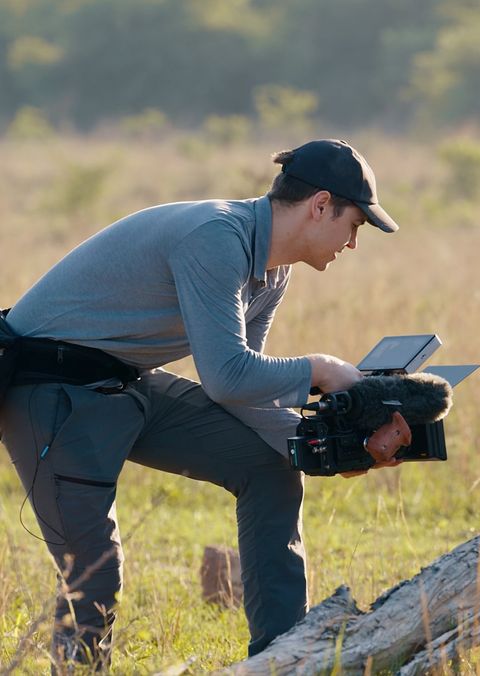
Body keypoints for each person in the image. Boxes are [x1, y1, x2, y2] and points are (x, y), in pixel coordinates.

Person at [0, 139, 407, 669]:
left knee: (271, 467)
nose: (353, 243)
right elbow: (228, 377)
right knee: (94, 573)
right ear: (320, 205)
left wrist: (335, 453)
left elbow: (247, 395)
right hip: (49, 387)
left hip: (124, 382)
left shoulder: (272, 268)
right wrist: (320, 370)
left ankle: (282, 660)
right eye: (355, 225)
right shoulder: (216, 238)